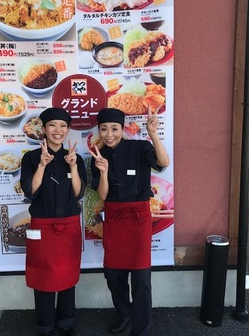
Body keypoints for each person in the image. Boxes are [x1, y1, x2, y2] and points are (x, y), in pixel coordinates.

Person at [89, 107, 170, 336]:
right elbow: (103, 195)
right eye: (104, 129)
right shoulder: (97, 154)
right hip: (114, 218)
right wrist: (103, 172)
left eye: (114, 128)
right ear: (99, 130)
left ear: (122, 129)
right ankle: (124, 312)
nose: (109, 134)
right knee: (113, 275)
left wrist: (153, 133)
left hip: (139, 218)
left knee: (141, 278)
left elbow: (163, 162)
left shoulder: (139, 147)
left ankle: (141, 328)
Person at [20, 107, 87, 336]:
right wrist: (42, 165)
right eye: (52, 125)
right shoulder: (30, 158)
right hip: (42, 226)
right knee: (43, 275)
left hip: (69, 226)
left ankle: (66, 321)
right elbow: (30, 191)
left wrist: (73, 167)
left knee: (67, 275)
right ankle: (45, 324)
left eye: (63, 126)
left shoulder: (74, 158)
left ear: (68, 130)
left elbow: (78, 194)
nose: (58, 130)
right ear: (44, 129)